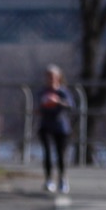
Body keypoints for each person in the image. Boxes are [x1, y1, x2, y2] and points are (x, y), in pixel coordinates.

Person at [38, 64, 73, 194]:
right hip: (45, 126)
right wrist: (43, 105)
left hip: (61, 127)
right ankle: (49, 180)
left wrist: (58, 101)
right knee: (47, 153)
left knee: (60, 155)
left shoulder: (63, 91)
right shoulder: (43, 92)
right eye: (48, 76)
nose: (50, 79)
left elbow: (70, 105)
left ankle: (63, 179)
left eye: (52, 76)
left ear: (58, 77)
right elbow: (37, 107)